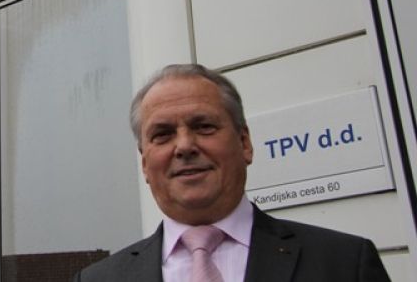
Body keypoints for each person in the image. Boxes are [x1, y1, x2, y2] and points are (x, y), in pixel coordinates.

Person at [75, 63, 390, 281]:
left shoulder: (345, 263)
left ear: (245, 143)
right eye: (163, 134)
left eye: (203, 126)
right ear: (145, 163)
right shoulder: (96, 280)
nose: (184, 146)